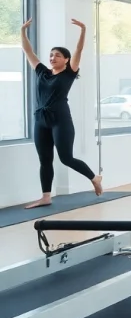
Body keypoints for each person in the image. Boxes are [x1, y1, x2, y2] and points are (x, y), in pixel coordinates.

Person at [20, 18, 103, 209]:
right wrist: (23, 31)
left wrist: (83, 30)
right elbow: (28, 51)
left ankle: (94, 178)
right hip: (40, 119)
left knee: (66, 158)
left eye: (57, 55)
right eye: (51, 55)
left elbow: (79, 51)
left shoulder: (68, 73)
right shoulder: (42, 72)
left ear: (66, 60)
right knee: (45, 160)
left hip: (61, 120)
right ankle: (46, 196)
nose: (52, 58)